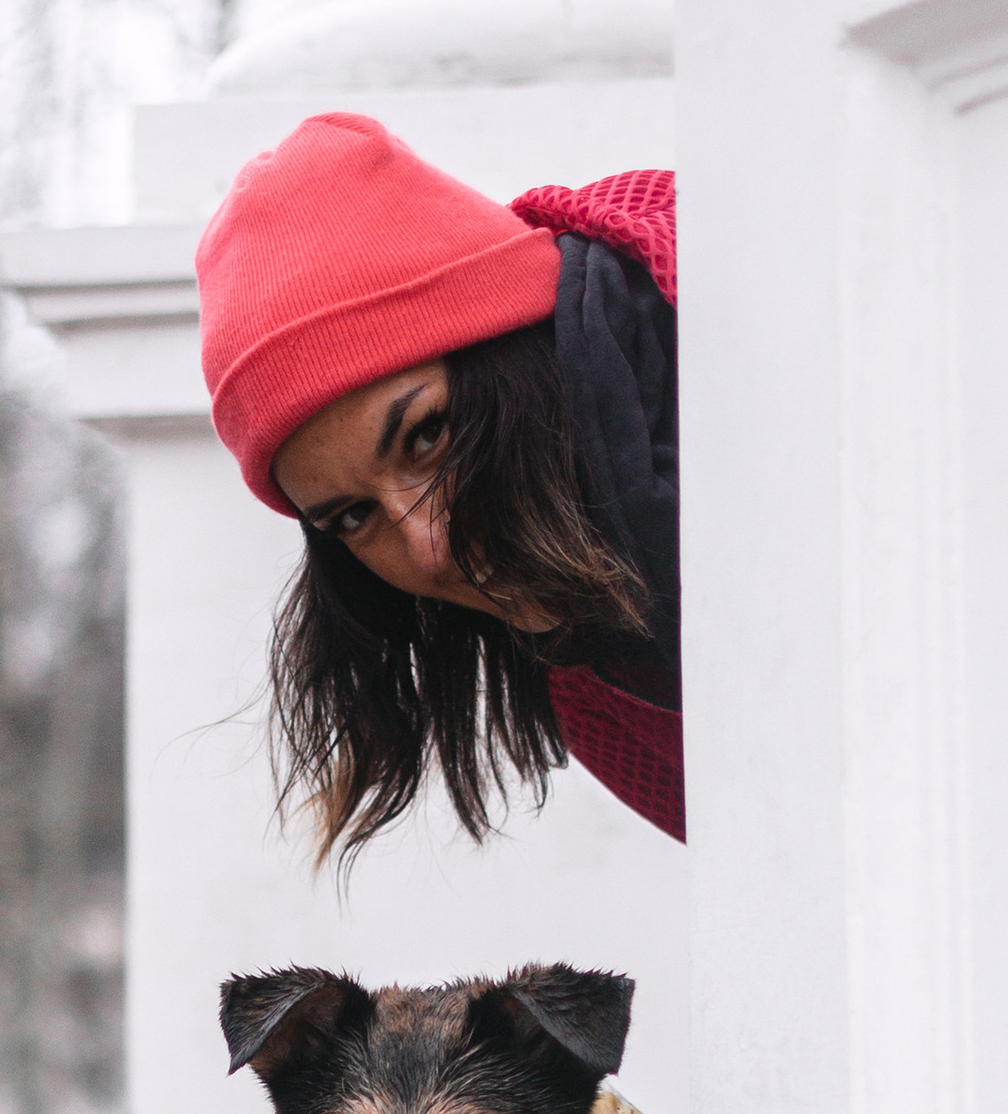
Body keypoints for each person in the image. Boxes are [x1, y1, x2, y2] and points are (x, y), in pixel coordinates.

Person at [195, 112, 681, 858]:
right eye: (353, 516)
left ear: (521, 355)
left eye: (427, 435)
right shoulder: (588, 678)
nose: (428, 546)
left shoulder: (772, 346)